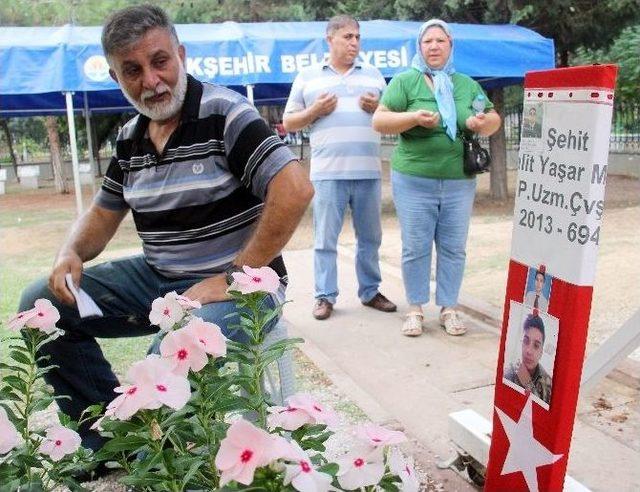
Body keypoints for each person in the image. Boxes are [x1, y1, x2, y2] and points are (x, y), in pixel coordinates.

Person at [17, 5, 313, 453]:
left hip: (243, 290)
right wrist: (70, 252)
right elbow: (102, 212)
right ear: (117, 78)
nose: (151, 81)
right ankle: (108, 441)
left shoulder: (225, 113)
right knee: (41, 305)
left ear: (181, 54)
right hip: (161, 282)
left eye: (160, 61)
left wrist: (235, 277)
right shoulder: (130, 135)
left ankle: (165, 455)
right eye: (132, 70)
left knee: (167, 355)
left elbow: (294, 189)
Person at [372, 19, 501, 337]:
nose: (433, 46)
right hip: (414, 178)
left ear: (450, 45)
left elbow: (493, 119)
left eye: (440, 41)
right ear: (419, 47)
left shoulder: (467, 85)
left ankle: (449, 308)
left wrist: (477, 122)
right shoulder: (406, 81)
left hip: (458, 180)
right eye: (427, 41)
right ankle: (415, 308)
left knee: (454, 247)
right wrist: (414, 117)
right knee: (415, 246)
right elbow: (380, 120)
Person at [283, 15, 396, 321]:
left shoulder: (373, 74)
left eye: (358, 37)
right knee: (324, 240)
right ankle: (324, 296)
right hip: (328, 173)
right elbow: (289, 121)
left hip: (368, 172)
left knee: (370, 237)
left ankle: (370, 291)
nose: (354, 42)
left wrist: (377, 109)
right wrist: (315, 110)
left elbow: (390, 119)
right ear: (329, 39)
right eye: (348, 37)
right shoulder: (308, 76)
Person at [504, 313, 553, 405]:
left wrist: (528, 384)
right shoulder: (509, 374)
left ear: (541, 352)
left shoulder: (549, 384)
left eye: (536, 346)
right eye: (526, 341)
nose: (528, 351)